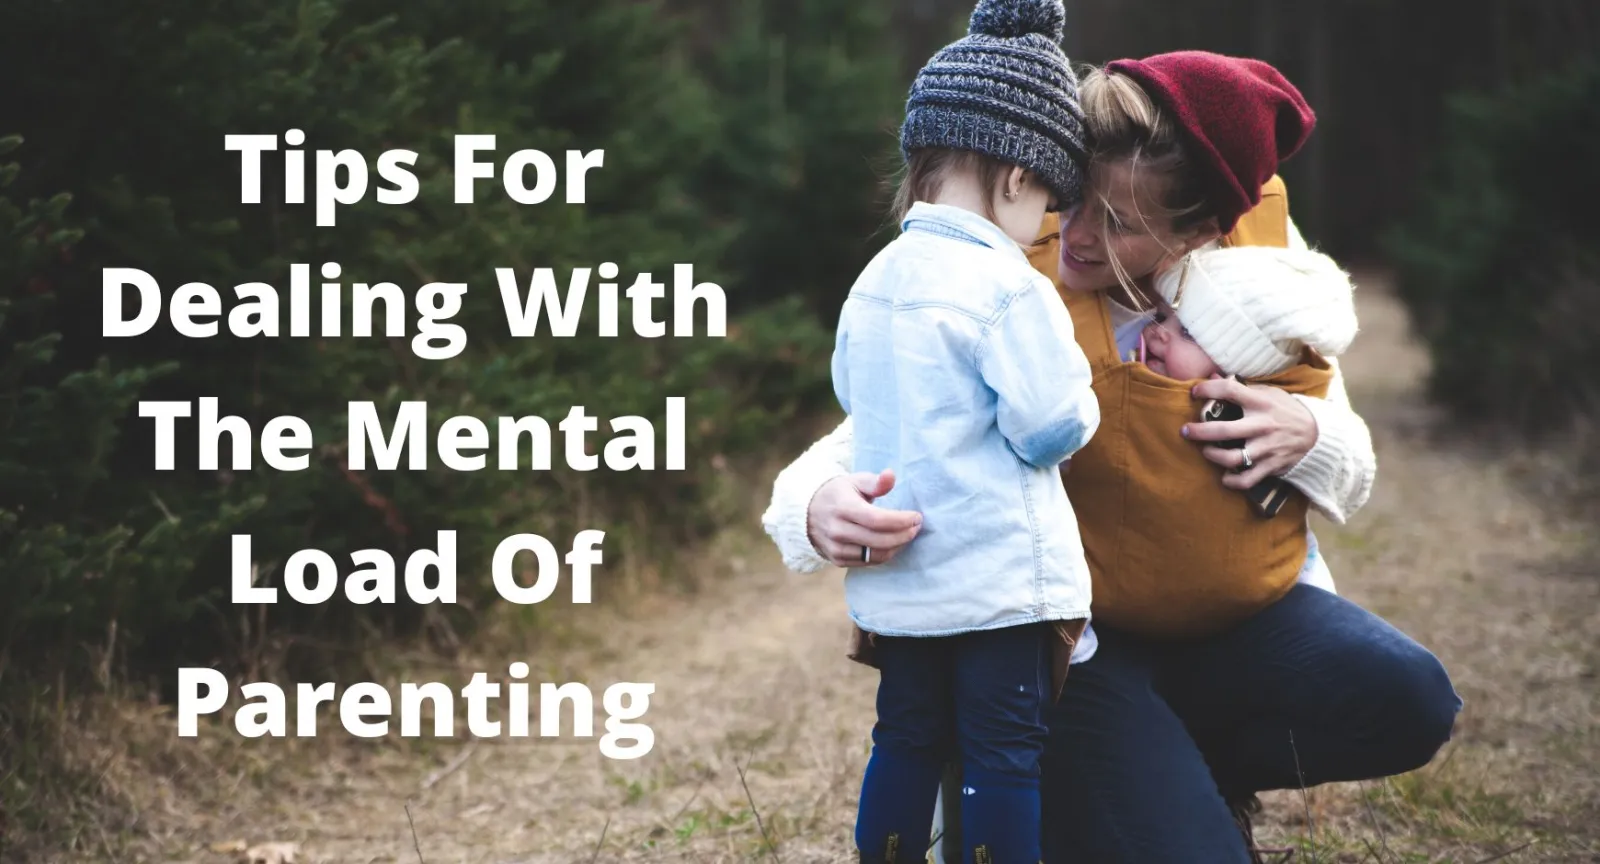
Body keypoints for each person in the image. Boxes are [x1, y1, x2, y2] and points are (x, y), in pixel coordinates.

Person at [762, 51, 1462, 863]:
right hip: (1076, 646)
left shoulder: (1257, 276)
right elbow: (881, 420)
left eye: (1122, 223)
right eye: (1076, 200)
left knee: (1412, 698)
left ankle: (1180, 772)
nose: (1080, 237)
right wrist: (811, 505)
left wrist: (1313, 437)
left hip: (1233, 625)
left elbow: (1352, 459)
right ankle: (1109, 779)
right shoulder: (1006, 265)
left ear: (1199, 231)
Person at [833, 1, 1097, 860]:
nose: (1046, 226)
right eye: (1051, 201)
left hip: (905, 585)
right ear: (1018, 176)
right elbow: (1052, 423)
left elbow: (855, 399)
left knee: (905, 739)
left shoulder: (873, 280)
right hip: (998, 585)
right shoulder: (1007, 285)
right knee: (1003, 758)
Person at [1073, 243, 1360, 640]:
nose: (1156, 334)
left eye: (1187, 333)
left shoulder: (1266, 402)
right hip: (1117, 612)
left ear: (1238, 371)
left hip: (1260, 603)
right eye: (1161, 318)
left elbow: (1353, 473)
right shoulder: (1113, 367)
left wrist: (1315, 433)